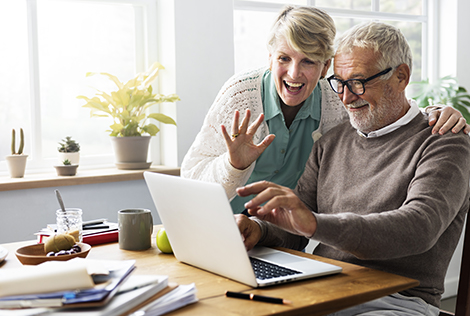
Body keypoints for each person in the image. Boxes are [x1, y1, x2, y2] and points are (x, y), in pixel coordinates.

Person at [235, 21, 470, 315]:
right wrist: (257, 229)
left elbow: (418, 227)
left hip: (397, 301)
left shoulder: (443, 142)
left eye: (358, 82)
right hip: (325, 289)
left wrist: (316, 224)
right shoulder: (331, 142)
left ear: (401, 76)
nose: (345, 97)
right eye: (340, 83)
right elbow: (296, 227)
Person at [181, 6, 469, 215]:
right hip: (224, 225)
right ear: (269, 59)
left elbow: (386, 104)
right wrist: (233, 166)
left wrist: (437, 111)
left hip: (284, 234)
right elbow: (191, 183)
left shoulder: (338, 96)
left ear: (325, 66)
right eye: (284, 58)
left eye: (308, 61)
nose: (294, 73)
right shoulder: (240, 95)